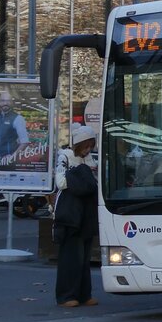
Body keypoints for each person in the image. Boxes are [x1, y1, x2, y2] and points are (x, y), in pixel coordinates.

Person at [53, 123, 99, 308]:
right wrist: (83, 176)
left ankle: (83, 293)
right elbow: (61, 182)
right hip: (71, 212)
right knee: (72, 255)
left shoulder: (90, 160)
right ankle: (67, 295)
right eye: (85, 146)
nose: (88, 150)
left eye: (90, 146)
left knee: (84, 256)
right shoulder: (66, 156)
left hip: (85, 212)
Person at [0, 90, 29, 165]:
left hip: (10, 160)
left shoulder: (18, 118)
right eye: (3, 100)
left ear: (11, 103)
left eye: (8, 101)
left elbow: (25, 142)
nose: (5, 103)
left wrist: (13, 156)